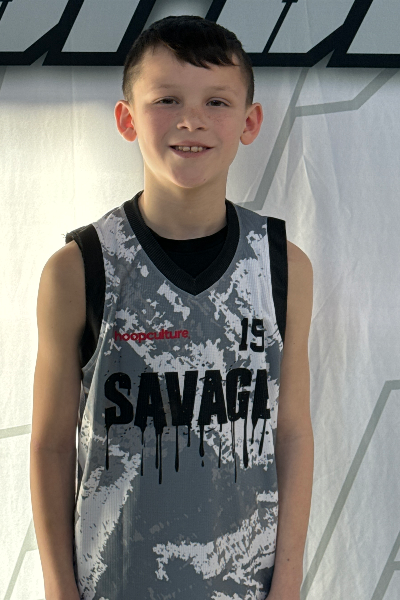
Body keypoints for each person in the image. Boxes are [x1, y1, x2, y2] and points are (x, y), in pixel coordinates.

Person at [30, 14, 314, 600]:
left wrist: (288, 581)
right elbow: (51, 446)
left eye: (216, 101)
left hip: (246, 586)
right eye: (166, 99)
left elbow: (290, 433)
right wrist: (59, 588)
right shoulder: (79, 269)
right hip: (114, 585)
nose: (191, 120)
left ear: (250, 121)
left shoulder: (283, 265)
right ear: (127, 118)